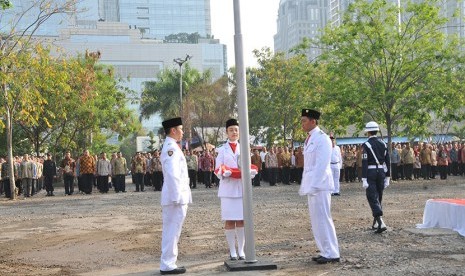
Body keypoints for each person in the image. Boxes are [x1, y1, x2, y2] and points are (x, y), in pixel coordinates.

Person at [299, 109, 340, 264]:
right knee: (316, 220)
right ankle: (325, 250)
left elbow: (321, 165)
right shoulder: (310, 138)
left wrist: (314, 185)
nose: (302, 124)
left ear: (313, 121)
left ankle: (332, 252)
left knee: (323, 218)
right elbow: (308, 166)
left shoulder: (322, 139)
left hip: (320, 185)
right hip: (313, 185)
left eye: (304, 120)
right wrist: (306, 185)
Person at [214, 118, 257, 261]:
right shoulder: (222, 149)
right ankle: (232, 250)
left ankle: (241, 250)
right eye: (231, 130)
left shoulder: (244, 148)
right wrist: (222, 173)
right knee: (229, 220)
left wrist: (251, 174)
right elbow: (217, 168)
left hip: (241, 189)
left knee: (241, 220)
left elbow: (249, 167)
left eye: (236, 130)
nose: (234, 132)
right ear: (226, 132)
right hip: (227, 188)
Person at [159, 117, 191, 275]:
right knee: (172, 230)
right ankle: (167, 264)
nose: (182, 131)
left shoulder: (172, 147)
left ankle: (169, 262)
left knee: (173, 230)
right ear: (173, 130)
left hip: (175, 196)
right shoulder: (170, 148)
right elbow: (172, 175)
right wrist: (177, 196)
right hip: (174, 198)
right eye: (181, 128)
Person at [361, 121, 391, 233]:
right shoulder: (383, 144)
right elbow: (387, 161)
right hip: (382, 172)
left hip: (370, 172)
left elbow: (364, 162)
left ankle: (381, 222)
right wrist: (388, 177)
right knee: (379, 197)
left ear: (368, 132)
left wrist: (364, 178)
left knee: (372, 197)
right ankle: (376, 223)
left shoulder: (366, 145)